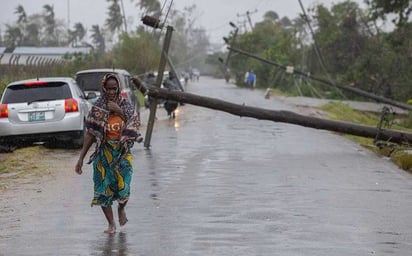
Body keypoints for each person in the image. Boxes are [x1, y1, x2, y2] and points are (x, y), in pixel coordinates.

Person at [75, 73, 142, 234]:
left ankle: (121, 208)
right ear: (103, 89)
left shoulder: (125, 105)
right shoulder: (97, 108)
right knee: (102, 189)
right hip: (103, 154)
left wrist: (118, 111)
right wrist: (81, 158)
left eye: (114, 88)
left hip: (122, 154)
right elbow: (90, 133)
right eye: (108, 88)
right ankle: (111, 224)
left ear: (118, 88)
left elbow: (135, 123)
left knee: (124, 189)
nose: (111, 91)